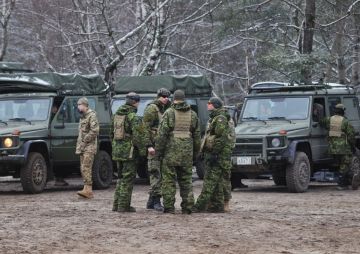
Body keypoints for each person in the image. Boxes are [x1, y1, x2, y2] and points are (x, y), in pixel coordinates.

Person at [155, 90, 201, 214]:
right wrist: (195, 153)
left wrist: (158, 152)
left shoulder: (169, 113)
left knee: (168, 181)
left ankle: (169, 207)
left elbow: (162, 135)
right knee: (186, 180)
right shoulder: (193, 114)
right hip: (187, 153)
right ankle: (188, 207)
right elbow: (197, 136)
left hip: (170, 153)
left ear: (174, 99)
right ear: (184, 99)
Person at [193, 97, 235, 213]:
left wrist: (215, 153)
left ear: (215, 105)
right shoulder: (215, 117)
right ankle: (216, 205)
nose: (207, 105)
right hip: (215, 153)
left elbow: (220, 138)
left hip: (219, 155)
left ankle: (200, 206)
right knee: (218, 181)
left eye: (209, 103)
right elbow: (209, 136)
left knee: (211, 181)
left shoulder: (220, 118)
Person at [112, 92, 145, 212]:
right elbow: (138, 136)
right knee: (128, 179)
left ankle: (116, 205)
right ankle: (123, 206)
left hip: (117, 151)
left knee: (120, 178)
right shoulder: (133, 116)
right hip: (129, 152)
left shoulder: (116, 114)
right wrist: (142, 152)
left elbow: (112, 132)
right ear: (135, 102)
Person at [143, 88, 171, 212]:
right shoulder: (152, 109)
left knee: (160, 173)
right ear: (158, 96)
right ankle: (156, 201)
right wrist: (149, 145)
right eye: (164, 96)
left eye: (167, 97)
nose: (166, 99)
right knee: (155, 173)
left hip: (162, 146)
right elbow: (144, 128)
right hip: (154, 146)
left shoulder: (165, 109)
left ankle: (151, 201)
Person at [321, 103, 360, 190]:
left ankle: (346, 182)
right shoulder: (345, 121)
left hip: (332, 148)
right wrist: (353, 146)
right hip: (343, 148)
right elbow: (351, 136)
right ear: (343, 111)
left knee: (340, 165)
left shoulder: (329, 119)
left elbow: (321, 121)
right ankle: (342, 184)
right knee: (345, 164)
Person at [75, 97, 99, 198]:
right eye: (78, 105)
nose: (78, 107)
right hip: (82, 147)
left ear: (85, 105)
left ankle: (89, 190)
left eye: (79, 105)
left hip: (89, 146)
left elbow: (95, 130)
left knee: (86, 167)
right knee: (83, 168)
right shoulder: (82, 117)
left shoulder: (92, 115)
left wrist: (85, 140)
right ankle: (86, 188)